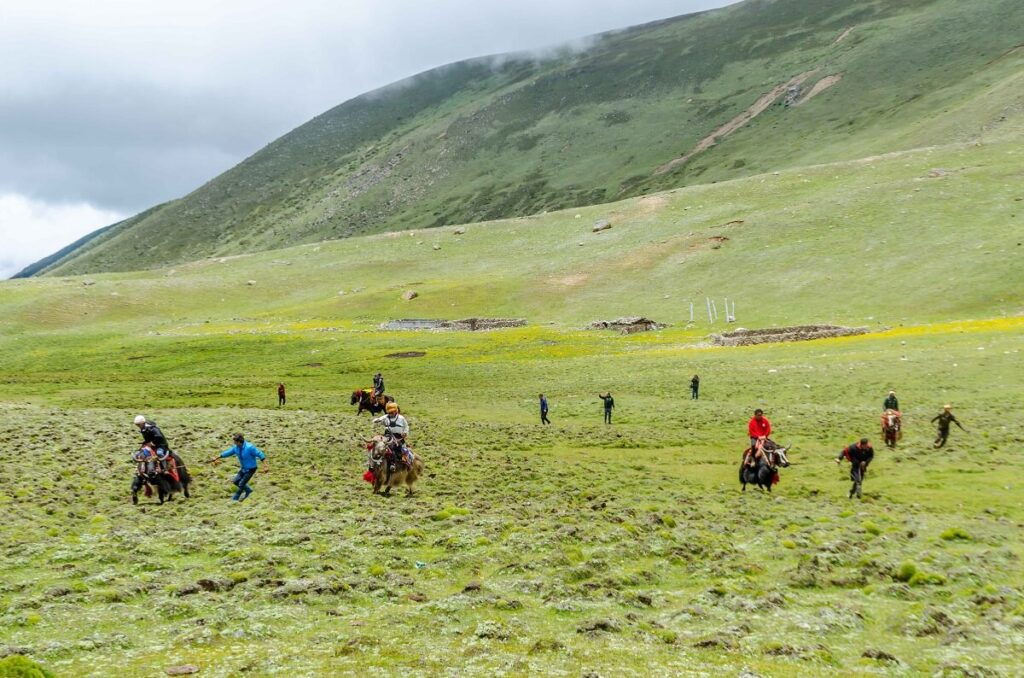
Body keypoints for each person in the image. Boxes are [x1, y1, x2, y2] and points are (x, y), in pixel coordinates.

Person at [134, 415, 190, 497]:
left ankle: (164, 468)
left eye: (139, 425)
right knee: (140, 454)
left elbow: (159, 437)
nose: (138, 426)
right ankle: (140, 469)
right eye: (137, 425)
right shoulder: (143, 428)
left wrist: (152, 443)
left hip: (160, 445)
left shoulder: (153, 429)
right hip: (151, 445)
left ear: (142, 423)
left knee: (160, 454)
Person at [208, 433, 268, 502]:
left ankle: (235, 499)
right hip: (243, 468)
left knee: (241, 484)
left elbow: (260, 454)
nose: (234, 443)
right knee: (236, 481)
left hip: (251, 469)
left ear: (239, 442)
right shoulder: (236, 448)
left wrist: (265, 465)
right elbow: (228, 452)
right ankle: (249, 491)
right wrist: (218, 457)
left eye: (235, 442)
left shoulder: (250, 447)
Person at [373, 402, 412, 469]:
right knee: (381, 447)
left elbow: (406, 427)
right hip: (387, 436)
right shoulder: (385, 417)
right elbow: (378, 420)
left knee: (399, 449)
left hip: (398, 437)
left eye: (393, 412)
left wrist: (405, 433)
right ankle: (376, 461)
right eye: (390, 413)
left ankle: (399, 463)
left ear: (396, 411)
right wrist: (377, 420)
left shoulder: (401, 418)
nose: (391, 414)